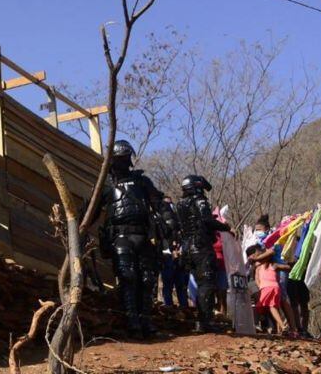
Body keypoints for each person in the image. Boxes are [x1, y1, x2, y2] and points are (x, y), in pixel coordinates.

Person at [90, 139, 168, 337]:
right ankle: (132, 322)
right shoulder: (105, 185)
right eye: (119, 159)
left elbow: (159, 202)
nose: (122, 163)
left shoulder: (142, 181)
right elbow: (90, 211)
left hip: (142, 236)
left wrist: (169, 222)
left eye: (125, 159)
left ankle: (146, 320)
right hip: (120, 237)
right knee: (128, 278)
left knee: (147, 279)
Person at [175, 174, 231, 332]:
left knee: (200, 285)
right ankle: (205, 321)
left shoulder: (180, 204)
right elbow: (207, 220)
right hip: (201, 247)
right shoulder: (199, 201)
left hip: (187, 248)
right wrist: (225, 227)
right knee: (207, 284)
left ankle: (202, 321)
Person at [247, 243, 291, 335]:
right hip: (276, 288)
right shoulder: (274, 265)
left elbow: (257, 279)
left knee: (260, 307)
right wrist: (283, 265)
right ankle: (279, 327)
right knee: (273, 307)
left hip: (266, 288)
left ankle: (256, 324)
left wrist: (260, 287)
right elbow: (287, 268)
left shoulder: (258, 265)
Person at [159, 196, 189, 307]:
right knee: (168, 286)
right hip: (167, 256)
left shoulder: (178, 221)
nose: (169, 206)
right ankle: (169, 307)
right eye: (166, 204)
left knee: (181, 286)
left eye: (170, 204)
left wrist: (181, 249)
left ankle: (184, 307)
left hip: (180, 257)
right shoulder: (160, 221)